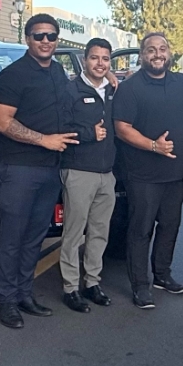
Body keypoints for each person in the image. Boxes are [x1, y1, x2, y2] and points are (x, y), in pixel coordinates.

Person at [0, 14, 80, 330]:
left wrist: (108, 77)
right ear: (27, 38)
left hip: (49, 169)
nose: (45, 41)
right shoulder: (12, 76)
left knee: (35, 236)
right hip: (18, 167)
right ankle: (7, 301)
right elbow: (2, 122)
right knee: (12, 236)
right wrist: (45, 140)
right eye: (39, 35)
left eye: (51, 36)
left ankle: (25, 294)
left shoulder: (57, 72)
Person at [113, 31, 183, 308]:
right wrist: (153, 146)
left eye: (162, 48)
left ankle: (162, 275)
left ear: (170, 53)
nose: (158, 54)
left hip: (174, 174)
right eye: (151, 50)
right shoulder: (130, 87)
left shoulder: (182, 83)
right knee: (141, 230)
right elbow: (122, 128)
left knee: (170, 226)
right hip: (142, 175)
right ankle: (140, 285)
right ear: (142, 55)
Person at [58, 38, 119, 312]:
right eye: (95, 58)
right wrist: (87, 134)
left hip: (107, 174)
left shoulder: (112, 91)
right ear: (85, 60)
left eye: (105, 59)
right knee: (73, 233)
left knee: (99, 233)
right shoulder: (69, 91)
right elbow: (59, 128)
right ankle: (70, 287)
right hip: (78, 171)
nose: (100, 63)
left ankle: (92, 282)